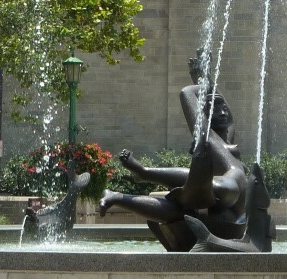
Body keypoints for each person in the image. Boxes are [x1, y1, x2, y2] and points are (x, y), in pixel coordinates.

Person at [98, 84, 247, 226]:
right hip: (228, 193)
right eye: (216, 110)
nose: (223, 113)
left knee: (187, 208)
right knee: (219, 191)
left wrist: (208, 83)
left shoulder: (226, 137)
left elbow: (229, 117)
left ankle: (133, 183)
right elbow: (186, 93)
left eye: (224, 110)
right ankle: (130, 185)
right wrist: (205, 85)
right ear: (205, 117)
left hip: (230, 205)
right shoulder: (209, 137)